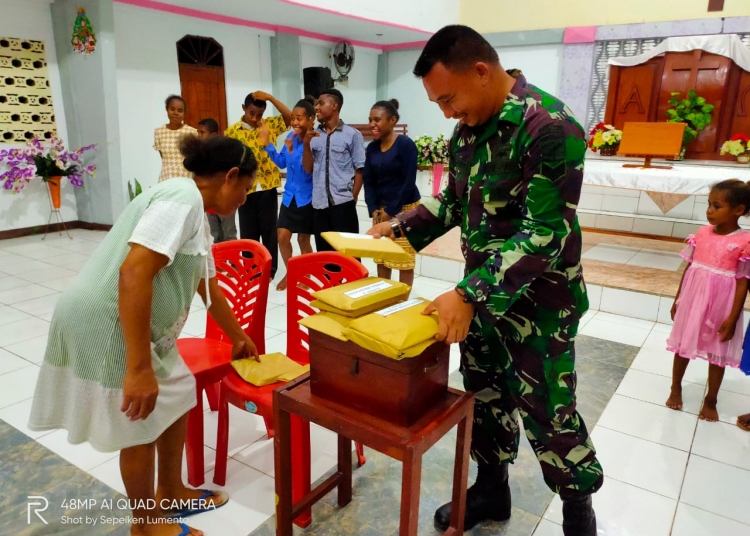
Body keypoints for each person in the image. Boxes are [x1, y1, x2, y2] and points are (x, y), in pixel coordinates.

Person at [368, 26, 602, 535]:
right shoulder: (469, 128)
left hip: (540, 305)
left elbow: (545, 231)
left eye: (448, 98)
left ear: (481, 71)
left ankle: (578, 512)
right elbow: (454, 198)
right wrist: (400, 228)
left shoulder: (550, 126)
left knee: (550, 412)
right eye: (439, 103)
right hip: (483, 302)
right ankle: (491, 489)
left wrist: (468, 291)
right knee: (487, 398)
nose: (447, 113)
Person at [28, 135, 261, 536]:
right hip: (109, 321)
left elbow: (208, 286)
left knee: (179, 392)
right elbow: (134, 273)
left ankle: (169, 490)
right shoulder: (180, 199)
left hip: (136, 326)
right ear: (230, 176)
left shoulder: (195, 212)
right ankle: (146, 525)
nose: (244, 199)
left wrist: (238, 335)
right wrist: (137, 368)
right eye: (245, 189)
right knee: (140, 420)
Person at [666, 179, 750, 422]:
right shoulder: (701, 233)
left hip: (722, 304)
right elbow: (689, 267)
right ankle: (675, 387)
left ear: (738, 210)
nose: (710, 211)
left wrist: (733, 318)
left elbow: (743, 281)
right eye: (709, 205)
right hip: (693, 299)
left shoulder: (744, 241)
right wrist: (677, 299)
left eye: (717, 206)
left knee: (717, 351)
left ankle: (711, 398)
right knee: (683, 344)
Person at [225, 91, 292, 278]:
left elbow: (290, 117)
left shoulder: (269, 125)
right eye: (251, 113)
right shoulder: (231, 133)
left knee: (269, 230)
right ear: (244, 109)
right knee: (248, 231)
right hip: (245, 189)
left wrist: (271, 98)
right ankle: (250, 268)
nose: (255, 118)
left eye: (259, 114)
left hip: (268, 187)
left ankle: (269, 270)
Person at [260, 97, 316, 291]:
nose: (294, 122)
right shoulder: (290, 138)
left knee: (303, 239)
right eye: (293, 118)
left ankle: (307, 274)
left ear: (311, 119)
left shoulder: (315, 140)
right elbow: (282, 162)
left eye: (299, 118)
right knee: (282, 236)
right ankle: (292, 271)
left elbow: (309, 170)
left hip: (307, 197)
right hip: (289, 196)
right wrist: (268, 144)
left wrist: (307, 143)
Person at [363, 99, 420, 287]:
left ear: (392, 120)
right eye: (370, 120)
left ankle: (403, 303)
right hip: (380, 211)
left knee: (403, 260)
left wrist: (392, 210)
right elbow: (368, 181)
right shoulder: (371, 148)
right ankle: (384, 299)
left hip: (405, 209)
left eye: (377, 120)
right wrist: (373, 208)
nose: (373, 124)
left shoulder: (405, 145)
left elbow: (408, 182)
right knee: (382, 258)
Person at [302, 88, 366, 251]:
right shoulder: (314, 135)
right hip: (319, 206)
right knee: (325, 257)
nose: (316, 108)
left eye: (321, 103)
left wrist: (353, 197)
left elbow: (360, 169)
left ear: (334, 105)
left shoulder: (352, 135)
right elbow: (308, 169)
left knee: (349, 255)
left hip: (343, 204)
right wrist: (306, 145)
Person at [198, 118, 238, 244]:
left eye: (202, 132)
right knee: (215, 238)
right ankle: (219, 264)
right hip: (211, 203)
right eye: (198, 132)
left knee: (229, 236)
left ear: (214, 135)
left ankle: (233, 263)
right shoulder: (201, 154)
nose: (198, 136)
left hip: (225, 201)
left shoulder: (225, 151)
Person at [153, 95, 198, 182]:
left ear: (184, 113)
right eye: (172, 109)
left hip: (186, 179)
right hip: (166, 179)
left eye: (180, 110)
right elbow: (164, 157)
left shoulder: (192, 133)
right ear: (167, 109)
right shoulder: (158, 132)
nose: (176, 113)